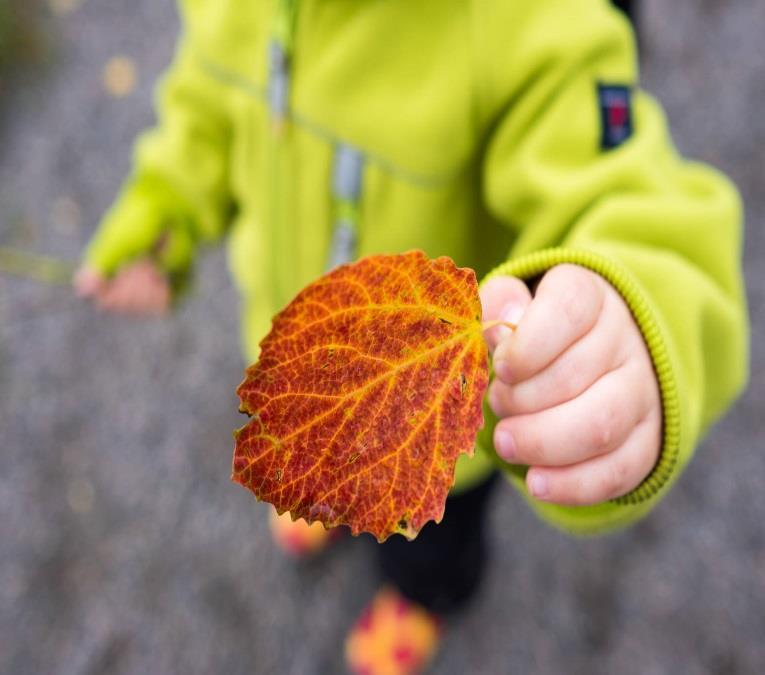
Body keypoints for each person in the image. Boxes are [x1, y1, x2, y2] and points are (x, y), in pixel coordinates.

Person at [74, 1, 748, 673]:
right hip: (307, 376)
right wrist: (168, 202)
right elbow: (206, 103)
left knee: (427, 541)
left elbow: (634, 197)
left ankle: (426, 593)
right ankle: (331, 501)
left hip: (431, 435)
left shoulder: (530, 26)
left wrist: (632, 310)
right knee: (317, 461)